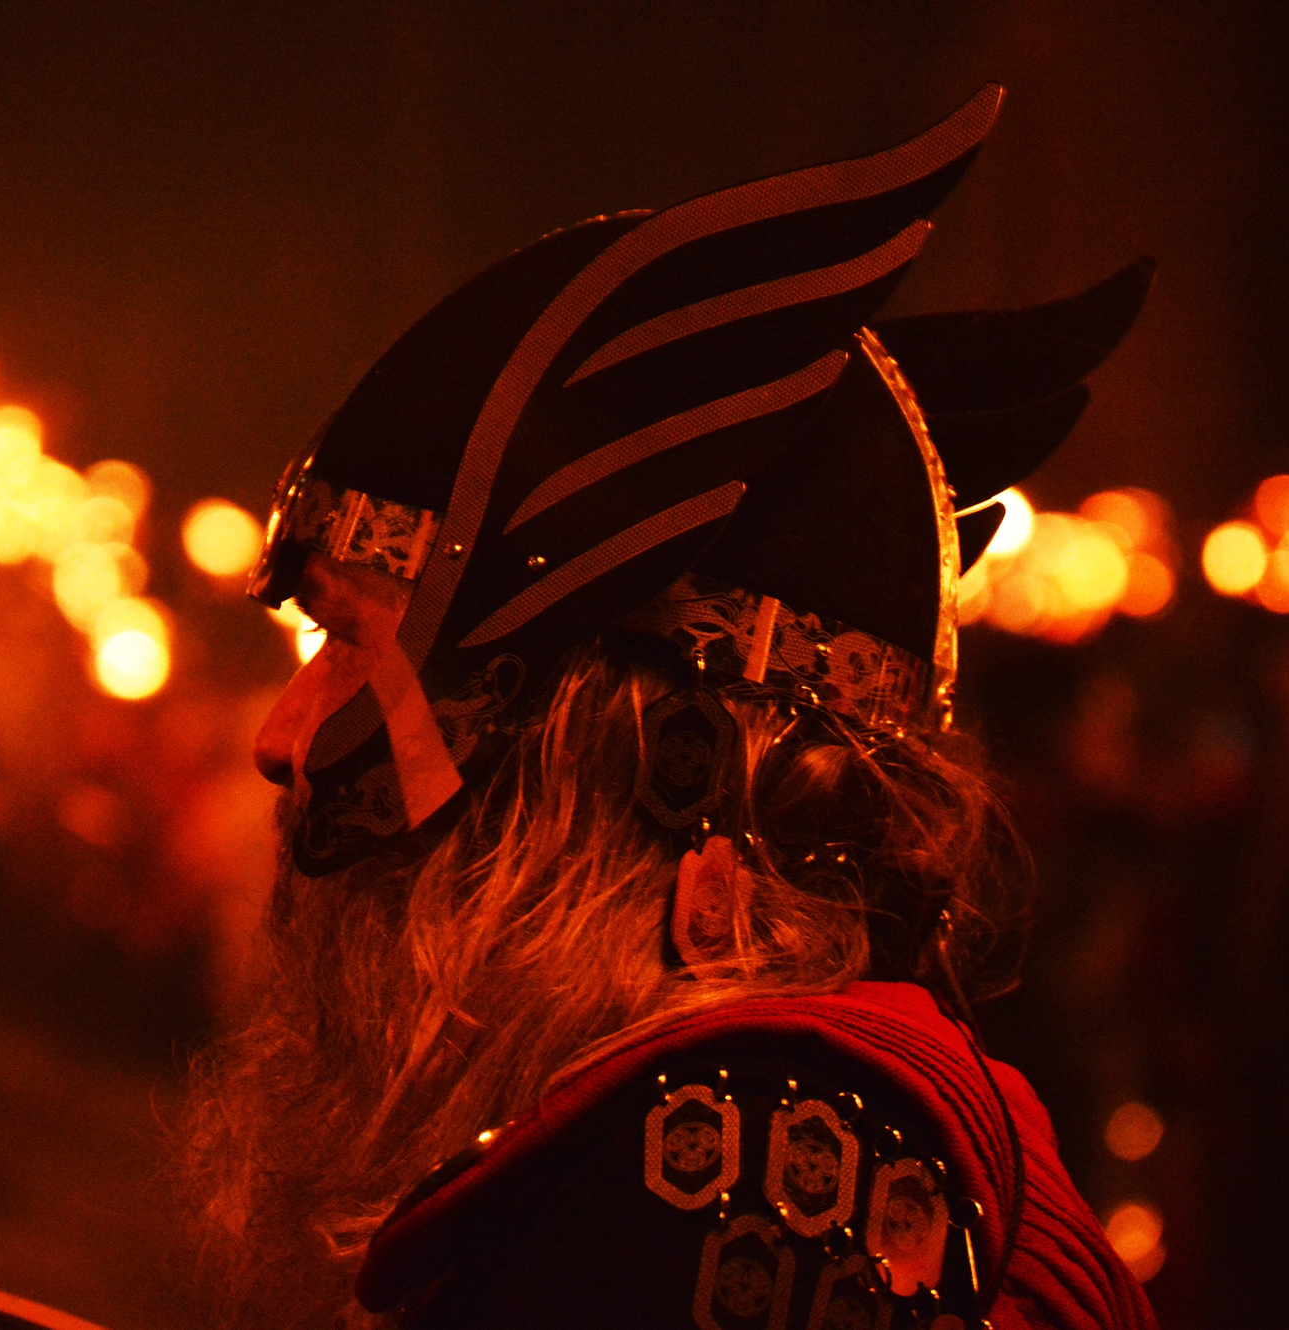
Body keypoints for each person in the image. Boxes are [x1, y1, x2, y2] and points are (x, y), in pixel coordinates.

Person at [179, 84, 1158, 1329]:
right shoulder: (739, 1120)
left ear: (631, 745)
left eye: (350, 642)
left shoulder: (737, 1167)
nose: (281, 737)